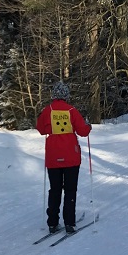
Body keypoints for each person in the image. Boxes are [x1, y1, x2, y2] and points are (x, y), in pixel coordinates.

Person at [36, 81, 91, 234]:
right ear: (66, 95)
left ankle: (52, 223)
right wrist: (88, 126)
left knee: (55, 190)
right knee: (70, 190)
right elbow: (83, 131)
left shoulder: (48, 111)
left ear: (54, 95)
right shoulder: (72, 110)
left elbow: (40, 129)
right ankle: (69, 223)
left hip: (53, 157)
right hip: (71, 157)